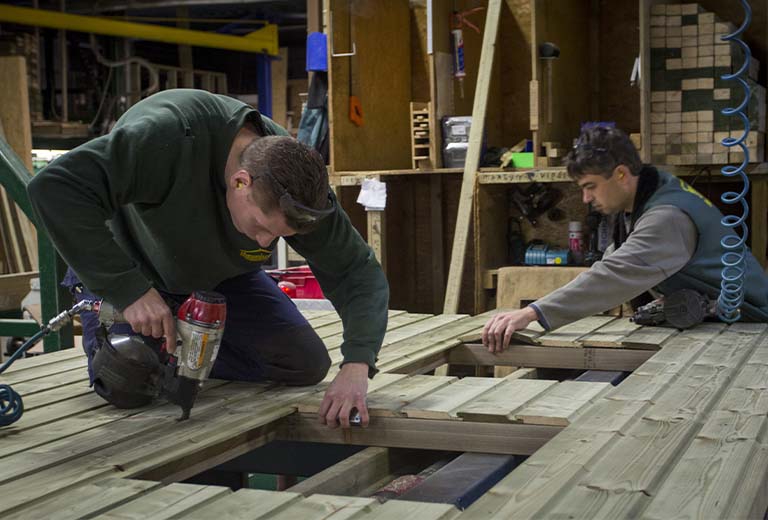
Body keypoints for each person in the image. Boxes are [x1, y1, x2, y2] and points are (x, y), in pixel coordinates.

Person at [28, 88, 389, 428]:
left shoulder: (300, 185)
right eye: (262, 227)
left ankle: (180, 354)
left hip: (215, 274)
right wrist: (128, 290)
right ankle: (161, 350)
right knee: (128, 381)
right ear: (240, 182)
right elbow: (56, 187)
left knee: (303, 363)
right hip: (132, 263)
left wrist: (357, 364)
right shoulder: (166, 139)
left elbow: (357, 271)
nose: (267, 243)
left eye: (280, 235)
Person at [483, 125, 768, 351]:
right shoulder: (651, 191)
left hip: (750, 325)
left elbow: (614, 274)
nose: (585, 198)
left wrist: (532, 313)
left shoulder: (665, 218)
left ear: (620, 174)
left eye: (590, 186)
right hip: (724, 318)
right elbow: (614, 260)